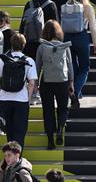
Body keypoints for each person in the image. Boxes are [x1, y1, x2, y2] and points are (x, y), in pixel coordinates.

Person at [0, 34, 39, 150]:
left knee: (9, 133)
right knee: (19, 133)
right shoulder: (28, 61)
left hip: (5, 99)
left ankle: (9, 159)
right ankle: (17, 161)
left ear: (11, 44)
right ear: (24, 45)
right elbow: (31, 83)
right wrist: (28, 99)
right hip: (21, 100)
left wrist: (1, 95)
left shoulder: (4, 59)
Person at [36, 20, 75, 149]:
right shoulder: (65, 46)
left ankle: (50, 141)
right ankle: (60, 129)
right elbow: (70, 66)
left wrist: (35, 83)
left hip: (47, 82)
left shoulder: (41, 47)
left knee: (48, 110)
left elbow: (37, 66)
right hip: (62, 81)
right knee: (63, 108)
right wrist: (71, 83)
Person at [64, 0, 96, 100]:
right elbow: (93, 27)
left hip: (67, 37)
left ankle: (76, 92)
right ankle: (75, 90)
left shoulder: (66, 5)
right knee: (85, 68)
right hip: (82, 37)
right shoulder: (87, 7)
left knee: (73, 66)